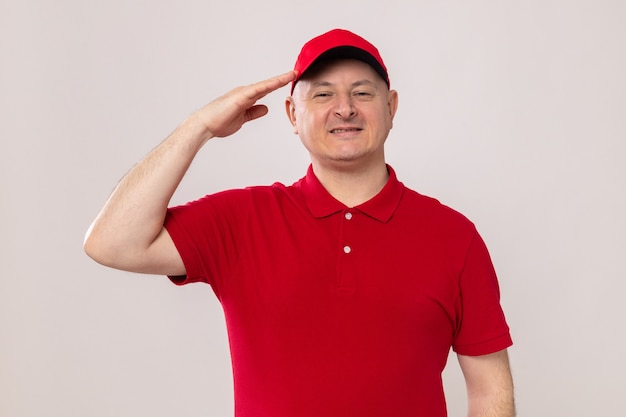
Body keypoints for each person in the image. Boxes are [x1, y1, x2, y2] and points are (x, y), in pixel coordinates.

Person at [84, 28, 515, 417]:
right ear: (292, 114)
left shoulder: (453, 236)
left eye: (362, 93)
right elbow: (111, 242)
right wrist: (198, 127)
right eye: (323, 95)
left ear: (391, 106)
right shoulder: (242, 221)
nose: (344, 109)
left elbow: (489, 391)